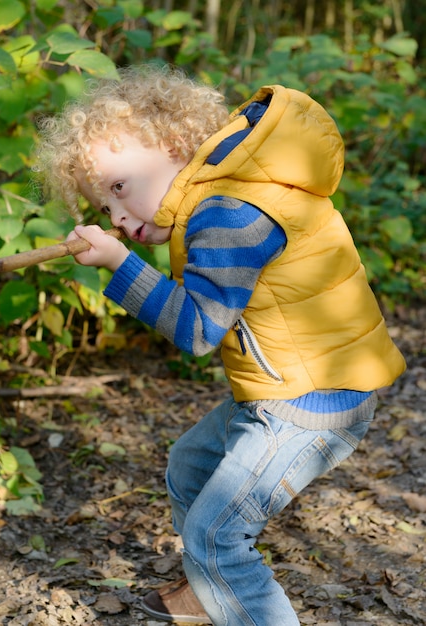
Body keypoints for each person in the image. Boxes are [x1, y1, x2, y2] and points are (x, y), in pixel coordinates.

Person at [36, 65, 406, 625]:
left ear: (175, 145)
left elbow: (198, 329)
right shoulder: (223, 189)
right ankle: (207, 594)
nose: (115, 216)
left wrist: (120, 265)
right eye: (102, 206)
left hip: (311, 401)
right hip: (287, 382)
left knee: (216, 535)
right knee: (190, 464)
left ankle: (230, 587)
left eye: (118, 188)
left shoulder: (228, 214)